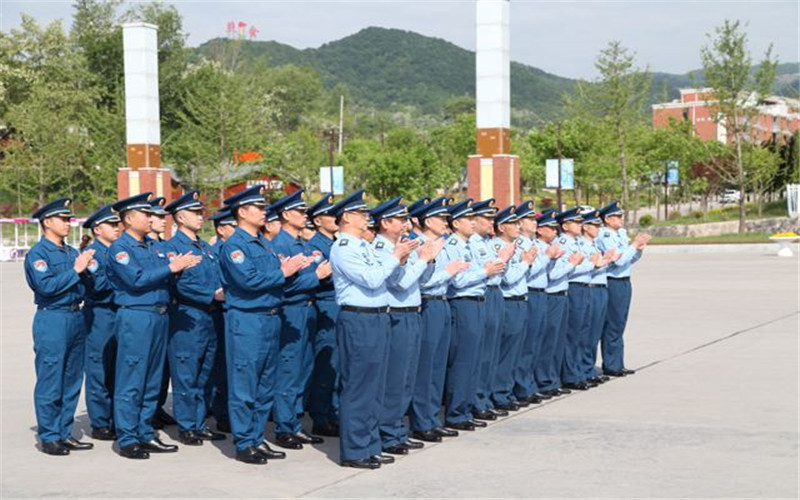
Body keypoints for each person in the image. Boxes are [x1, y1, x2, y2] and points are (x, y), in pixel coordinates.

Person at [217, 185, 310, 464]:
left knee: (265, 383)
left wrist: (292, 272)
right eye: (258, 208)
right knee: (245, 384)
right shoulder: (234, 245)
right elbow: (248, 281)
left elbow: (275, 277)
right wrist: (283, 271)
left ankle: (257, 438)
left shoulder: (264, 243)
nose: (264, 212)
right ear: (242, 212)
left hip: (270, 317)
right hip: (247, 320)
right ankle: (245, 442)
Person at [107, 192, 201, 459]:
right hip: (136, 316)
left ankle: (146, 432)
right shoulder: (120, 249)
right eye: (145, 214)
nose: (151, 219)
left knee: (152, 379)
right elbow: (136, 279)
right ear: (129, 218)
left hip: (159, 315)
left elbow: (166, 277)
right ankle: (127, 437)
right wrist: (171, 268)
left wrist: (179, 268)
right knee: (132, 378)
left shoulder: (153, 246)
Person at [329, 190, 416, 469]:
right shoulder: (343, 247)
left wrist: (398, 259)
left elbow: (384, 276)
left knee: (376, 386)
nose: (367, 217)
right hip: (358, 318)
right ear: (346, 218)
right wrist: (395, 257)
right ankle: (354, 450)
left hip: (378, 316)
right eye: (361, 214)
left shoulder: (363, 246)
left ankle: (370, 444)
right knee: (358, 386)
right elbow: (371, 278)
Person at [371, 197, 443, 456]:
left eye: (405, 219)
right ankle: (387, 432)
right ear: (385, 223)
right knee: (394, 378)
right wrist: (423, 259)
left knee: (407, 377)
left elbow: (420, 280)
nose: (405, 224)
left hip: (413, 313)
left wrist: (429, 260)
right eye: (400, 220)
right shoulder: (381, 247)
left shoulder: (402, 245)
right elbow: (399, 284)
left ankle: (397, 429)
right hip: (397, 315)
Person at [25, 198, 95, 456]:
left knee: (72, 378)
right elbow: (47, 287)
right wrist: (76, 271)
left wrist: (86, 272)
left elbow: (82, 285)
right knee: (51, 378)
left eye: (69, 219)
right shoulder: (38, 254)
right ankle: (49, 435)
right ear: (47, 222)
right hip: (53, 318)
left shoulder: (70, 252)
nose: (68, 223)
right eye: (63, 219)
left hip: (76, 316)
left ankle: (65, 432)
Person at [163, 191, 226, 446]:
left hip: (209, 316)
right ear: (180, 217)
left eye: (201, 212)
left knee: (204, 373)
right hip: (187, 316)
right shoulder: (172, 248)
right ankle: (187, 425)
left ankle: (199, 422)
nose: (201, 217)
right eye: (195, 213)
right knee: (186, 372)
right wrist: (212, 294)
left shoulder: (206, 248)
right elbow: (179, 286)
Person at [269, 190, 330, 450]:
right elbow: (283, 285)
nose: (305, 215)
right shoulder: (280, 245)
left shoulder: (301, 244)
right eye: (300, 211)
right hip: (291, 309)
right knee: (288, 369)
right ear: (285, 215)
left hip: (308, 309)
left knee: (303, 368)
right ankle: (284, 426)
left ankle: (294, 422)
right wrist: (317, 276)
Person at [440, 200, 505, 431]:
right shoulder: (455, 244)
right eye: (469, 219)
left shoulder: (467, 244)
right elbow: (458, 280)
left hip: (478, 301)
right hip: (463, 302)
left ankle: (466, 409)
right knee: (463, 361)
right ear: (456, 223)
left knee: (475, 359)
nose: (473, 222)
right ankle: (456, 412)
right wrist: (485, 271)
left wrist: (485, 272)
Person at [408, 197, 469, 443]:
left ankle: (432, 418)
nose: (446, 222)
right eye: (441, 218)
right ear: (427, 221)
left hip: (442, 301)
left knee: (437, 365)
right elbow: (421, 281)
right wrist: (448, 272)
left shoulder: (438, 243)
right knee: (426, 365)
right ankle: (422, 421)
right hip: (428, 302)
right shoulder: (418, 245)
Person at [470, 199, 515, 420]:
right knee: (483, 351)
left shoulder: (487, 242)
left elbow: (498, 272)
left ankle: (485, 398)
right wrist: (503, 260)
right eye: (486, 218)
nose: (491, 222)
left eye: (491, 218)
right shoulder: (474, 243)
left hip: (495, 292)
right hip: (484, 292)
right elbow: (487, 271)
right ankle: (478, 400)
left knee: (492, 350)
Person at [596, 202, 650, 377]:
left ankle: (617, 362)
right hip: (613, 281)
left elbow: (627, 260)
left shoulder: (619, 234)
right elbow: (618, 261)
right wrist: (633, 245)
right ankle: (611, 364)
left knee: (619, 323)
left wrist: (638, 251)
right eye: (617, 216)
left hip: (624, 280)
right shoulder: (605, 236)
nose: (621, 219)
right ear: (608, 219)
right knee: (612, 323)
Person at [82, 203, 122, 442]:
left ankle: (118, 418)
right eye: (112, 225)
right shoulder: (94, 254)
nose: (117, 228)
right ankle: (100, 422)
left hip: (120, 313)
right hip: (101, 315)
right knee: (99, 368)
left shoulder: (119, 251)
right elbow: (97, 287)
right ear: (98, 229)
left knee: (118, 369)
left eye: (118, 224)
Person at [490, 206, 537, 410]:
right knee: (505, 352)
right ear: (501, 227)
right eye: (513, 223)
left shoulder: (516, 245)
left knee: (515, 351)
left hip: (520, 299)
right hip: (508, 301)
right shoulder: (498, 247)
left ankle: (508, 391)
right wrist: (525, 263)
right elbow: (507, 278)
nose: (518, 227)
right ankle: (500, 394)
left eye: (519, 223)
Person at [535, 209, 582, 398]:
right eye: (551, 228)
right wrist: (573, 264)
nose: (555, 232)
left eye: (556, 229)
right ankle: (545, 381)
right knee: (548, 342)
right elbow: (552, 275)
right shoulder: (545, 247)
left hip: (562, 293)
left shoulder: (552, 245)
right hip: (552, 295)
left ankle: (553, 379)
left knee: (557, 341)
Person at [306, 193, 341, 437]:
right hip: (326, 304)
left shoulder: (336, 244)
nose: (335, 218)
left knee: (338, 364)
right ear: (318, 221)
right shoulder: (315, 247)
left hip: (339, 305)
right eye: (330, 214)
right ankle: (320, 415)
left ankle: (334, 412)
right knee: (325, 364)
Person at [561, 207, 607, 391]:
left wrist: (594, 264)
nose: (580, 225)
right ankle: (572, 374)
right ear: (565, 226)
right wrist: (592, 265)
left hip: (585, 287)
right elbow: (569, 269)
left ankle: (580, 370)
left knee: (584, 333)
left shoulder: (579, 243)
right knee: (573, 334)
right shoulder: (564, 243)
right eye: (577, 222)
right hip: (575, 287)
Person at [146, 196, 178, 430]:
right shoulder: (144, 246)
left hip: (168, 310)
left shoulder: (164, 246)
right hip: (145, 312)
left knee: (162, 366)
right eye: (156, 217)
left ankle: (156, 407)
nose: (161, 221)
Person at [512, 201, 548, 404]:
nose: (534, 223)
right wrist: (547, 258)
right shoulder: (520, 244)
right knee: (526, 345)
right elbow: (528, 271)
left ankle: (529, 383)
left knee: (535, 343)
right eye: (530, 219)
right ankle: (522, 387)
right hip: (530, 292)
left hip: (538, 293)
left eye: (535, 219)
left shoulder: (531, 243)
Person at [206, 206, 237, 433]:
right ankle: (221, 412)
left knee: (231, 365)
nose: (237, 230)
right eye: (233, 227)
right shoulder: (214, 251)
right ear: (221, 229)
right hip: (217, 311)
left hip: (232, 312)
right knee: (219, 366)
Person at [578, 207, 617, 385]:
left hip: (600, 287)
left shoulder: (594, 244)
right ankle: (583, 369)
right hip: (590, 288)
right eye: (594, 225)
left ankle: (588, 368)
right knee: (585, 334)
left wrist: (606, 261)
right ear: (585, 227)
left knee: (593, 333)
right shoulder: (581, 245)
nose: (598, 229)